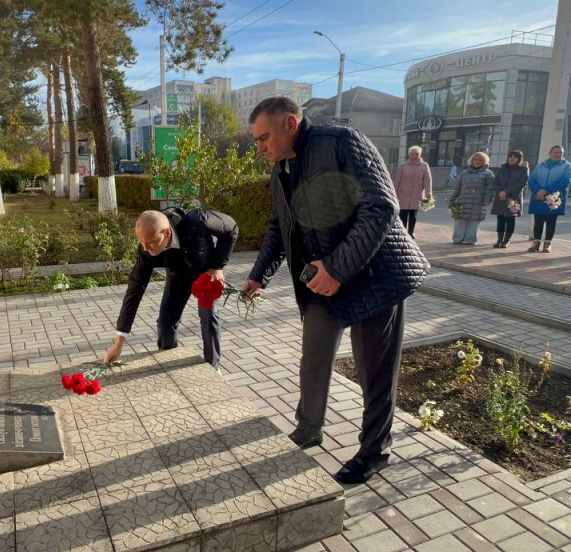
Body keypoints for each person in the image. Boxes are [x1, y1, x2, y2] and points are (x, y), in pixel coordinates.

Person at [241, 97, 429, 484]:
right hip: (322, 281)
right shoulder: (282, 167)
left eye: (263, 138)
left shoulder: (342, 142)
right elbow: (279, 224)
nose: (260, 148)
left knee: (374, 373)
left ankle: (375, 451)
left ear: (290, 123)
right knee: (313, 360)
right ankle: (309, 428)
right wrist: (259, 275)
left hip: (375, 277)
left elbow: (381, 207)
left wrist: (338, 268)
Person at [104, 208, 239, 371]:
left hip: (205, 273)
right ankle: (168, 361)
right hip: (177, 277)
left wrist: (217, 266)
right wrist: (118, 344)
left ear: (167, 233)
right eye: (141, 242)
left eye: (150, 242)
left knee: (209, 315)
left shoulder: (197, 221)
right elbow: (134, 290)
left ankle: (213, 368)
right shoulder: (146, 251)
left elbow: (232, 229)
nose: (145, 248)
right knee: (166, 323)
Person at [527, 145, 571, 253]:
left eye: (560, 153)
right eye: (555, 152)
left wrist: (547, 190)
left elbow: (565, 180)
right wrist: (538, 191)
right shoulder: (540, 166)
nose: (558, 154)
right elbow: (531, 179)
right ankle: (536, 243)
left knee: (551, 221)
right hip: (539, 197)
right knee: (538, 221)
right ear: (550, 153)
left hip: (554, 198)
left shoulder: (567, 166)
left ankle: (547, 244)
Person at [448, 152, 495, 245]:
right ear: (471, 161)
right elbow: (457, 188)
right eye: (475, 159)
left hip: (478, 202)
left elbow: (490, 189)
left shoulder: (488, 174)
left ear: (484, 161)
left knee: (474, 221)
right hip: (463, 201)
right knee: (460, 220)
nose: (477, 161)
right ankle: (457, 238)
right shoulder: (464, 173)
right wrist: (451, 198)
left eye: (480, 160)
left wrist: (487, 200)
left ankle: (470, 240)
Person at [490, 150, 529, 248]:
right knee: (500, 219)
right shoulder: (502, 168)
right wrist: (500, 192)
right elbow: (495, 182)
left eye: (515, 157)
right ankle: (499, 240)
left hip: (513, 197)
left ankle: (506, 240)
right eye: (510, 156)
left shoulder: (523, 170)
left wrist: (506, 192)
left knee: (510, 219)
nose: (512, 159)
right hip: (500, 197)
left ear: (519, 159)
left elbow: (521, 183)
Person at [393, 146, 432, 238]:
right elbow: (397, 180)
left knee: (413, 215)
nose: (414, 156)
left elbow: (427, 181)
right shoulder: (403, 166)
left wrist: (428, 195)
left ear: (420, 154)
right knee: (403, 214)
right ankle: (402, 232)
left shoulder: (424, 166)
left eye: (416, 154)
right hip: (403, 194)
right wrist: (394, 193)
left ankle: (411, 232)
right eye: (412, 154)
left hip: (417, 195)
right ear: (409, 155)